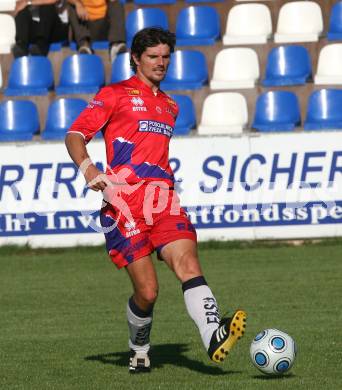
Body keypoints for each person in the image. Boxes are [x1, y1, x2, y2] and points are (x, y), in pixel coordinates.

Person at [65, 27, 247, 373]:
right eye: (153, 57)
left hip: (163, 199)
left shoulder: (170, 105)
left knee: (189, 265)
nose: (161, 63)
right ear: (136, 59)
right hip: (122, 203)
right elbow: (75, 135)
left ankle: (214, 335)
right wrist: (90, 171)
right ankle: (139, 347)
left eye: (166, 57)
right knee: (148, 292)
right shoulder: (114, 94)